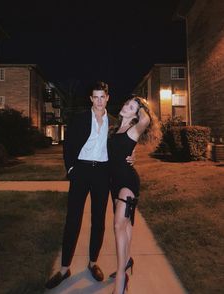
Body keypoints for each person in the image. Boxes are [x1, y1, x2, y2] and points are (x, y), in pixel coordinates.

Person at [45, 81, 134, 289]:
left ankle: (93, 263)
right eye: (96, 97)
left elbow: (123, 146)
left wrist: (131, 158)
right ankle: (65, 269)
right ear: (91, 99)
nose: (100, 100)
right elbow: (67, 146)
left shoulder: (114, 123)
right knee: (73, 220)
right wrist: (71, 170)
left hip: (102, 173)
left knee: (99, 220)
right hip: (81, 171)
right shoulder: (80, 119)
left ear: (108, 98)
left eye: (103, 96)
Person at [107, 97, 161, 294]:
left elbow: (146, 120)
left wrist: (140, 104)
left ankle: (121, 279)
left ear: (135, 114)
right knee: (126, 226)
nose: (126, 107)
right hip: (114, 183)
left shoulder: (134, 128)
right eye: (127, 103)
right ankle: (127, 260)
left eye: (131, 107)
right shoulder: (114, 129)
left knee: (117, 224)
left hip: (128, 182)